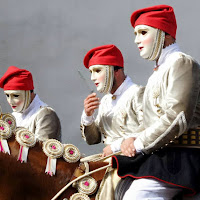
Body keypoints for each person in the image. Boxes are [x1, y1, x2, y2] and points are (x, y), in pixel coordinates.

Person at [111, 5, 200, 200]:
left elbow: (177, 118)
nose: (137, 40)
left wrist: (138, 143)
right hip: (160, 155)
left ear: (164, 33)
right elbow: (148, 124)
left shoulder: (181, 62)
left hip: (180, 158)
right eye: (136, 34)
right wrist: (122, 144)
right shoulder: (158, 72)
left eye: (143, 32)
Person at [80, 44, 144, 199]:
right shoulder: (106, 101)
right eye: (91, 72)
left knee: (108, 183)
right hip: (109, 159)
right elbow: (93, 139)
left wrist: (115, 147)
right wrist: (87, 116)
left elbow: (149, 130)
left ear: (116, 71)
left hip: (134, 160)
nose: (92, 77)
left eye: (97, 70)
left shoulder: (137, 93)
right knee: (78, 170)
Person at [0, 66, 61, 142]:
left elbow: (40, 151)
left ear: (29, 93)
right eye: (7, 95)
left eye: (16, 95)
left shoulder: (45, 114)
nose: (10, 101)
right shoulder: (14, 116)